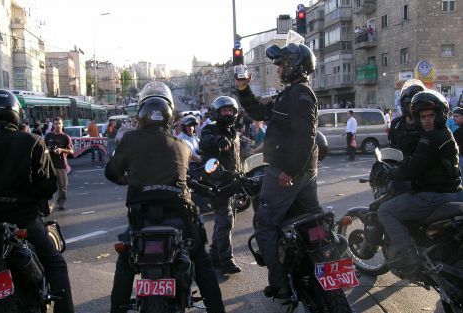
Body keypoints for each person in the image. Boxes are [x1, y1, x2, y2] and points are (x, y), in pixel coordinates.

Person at [105, 81, 225, 313]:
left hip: (141, 219)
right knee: (202, 263)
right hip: (179, 217)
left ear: (141, 115)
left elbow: (112, 173)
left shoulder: (129, 140)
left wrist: (130, 179)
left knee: (125, 265)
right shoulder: (181, 146)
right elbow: (190, 171)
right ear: (170, 118)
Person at [0, 90, 74, 313]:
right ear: (15, 114)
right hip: (23, 221)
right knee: (55, 263)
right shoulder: (32, 142)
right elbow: (47, 186)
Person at [235, 42, 321, 299]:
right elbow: (260, 111)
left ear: (294, 65)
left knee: (264, 225)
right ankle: (309, 266)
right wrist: (243, 89)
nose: (278, 69)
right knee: (311, 220)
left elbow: (306, 136)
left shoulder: (300, 95)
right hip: (298, 170)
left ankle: (280, 282)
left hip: (287, 173)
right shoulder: (290, 94)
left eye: (282, 64)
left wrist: (290, 171)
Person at [378, 90, 462, 275]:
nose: (427, 120)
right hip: (452, 191)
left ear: (439, 115)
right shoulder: (444, 133)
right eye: (423, 116)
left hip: (433, 195)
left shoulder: (431, 138)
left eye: (430, 115)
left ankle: (408, 255)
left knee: (385, 210)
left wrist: (392, 173)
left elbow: (414, 165)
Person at [199, 96, 243, 275]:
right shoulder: (210, 129)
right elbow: (205, 142)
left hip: (232, 182)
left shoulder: (234, 132)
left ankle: (214, 256)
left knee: (224, 221)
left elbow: (236, 158)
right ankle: (226, 259)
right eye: (224, 111)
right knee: (225, 221)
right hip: (217, 184)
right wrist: (218, 141)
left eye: (230, 110)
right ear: (217, 113)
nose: (227, 113)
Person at [389, 79, 426, 157]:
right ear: (405, 105)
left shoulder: (428, 123)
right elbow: (392, 148)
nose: (415, 107)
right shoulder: (396, 124)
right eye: (411, 104)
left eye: (418, 103)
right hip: (400, 166)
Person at [44, 117, 73, 211]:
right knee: (49, 185)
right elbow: (43, 148)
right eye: (55, 123)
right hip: (49, 165)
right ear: (53, 125)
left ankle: (61, 202)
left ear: (62, 124)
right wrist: (47, 150)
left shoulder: (65, 137)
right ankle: (49, 204)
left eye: (59, 123)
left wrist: (61, 150)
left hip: (61, 165)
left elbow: (72, 151)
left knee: (62, 186)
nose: (57, 125)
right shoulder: (48, 136)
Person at [451, 107, 463, 174]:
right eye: (453, 116)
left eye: (456, 116)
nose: (453, 118)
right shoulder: (458, 130)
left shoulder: (459, 131)